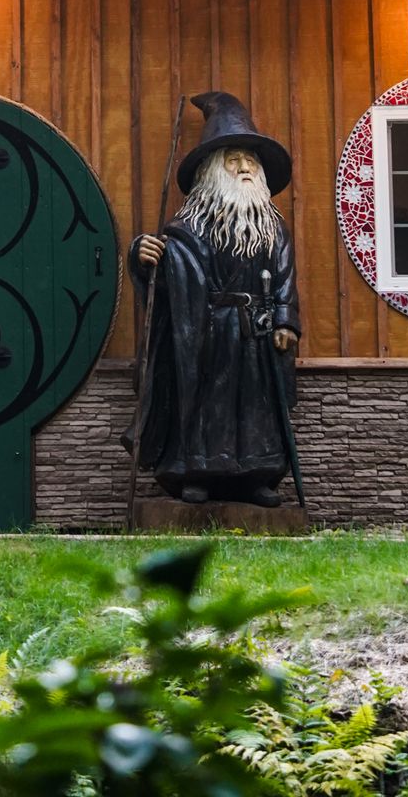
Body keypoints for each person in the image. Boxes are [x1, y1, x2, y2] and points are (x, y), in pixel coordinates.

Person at [126, 91, 301, 507]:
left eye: (249, 161)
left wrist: (285, 320)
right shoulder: (187, 226)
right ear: (211, 171)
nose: (242, 167)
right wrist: (144, 257)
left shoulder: (272, 228)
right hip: (203, 333)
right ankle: (195, 472)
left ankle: (258, 476)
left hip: (256, 333)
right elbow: (167, 281)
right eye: (232, 160)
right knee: (203, 404)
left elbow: (284, 277)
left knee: (256, 409)